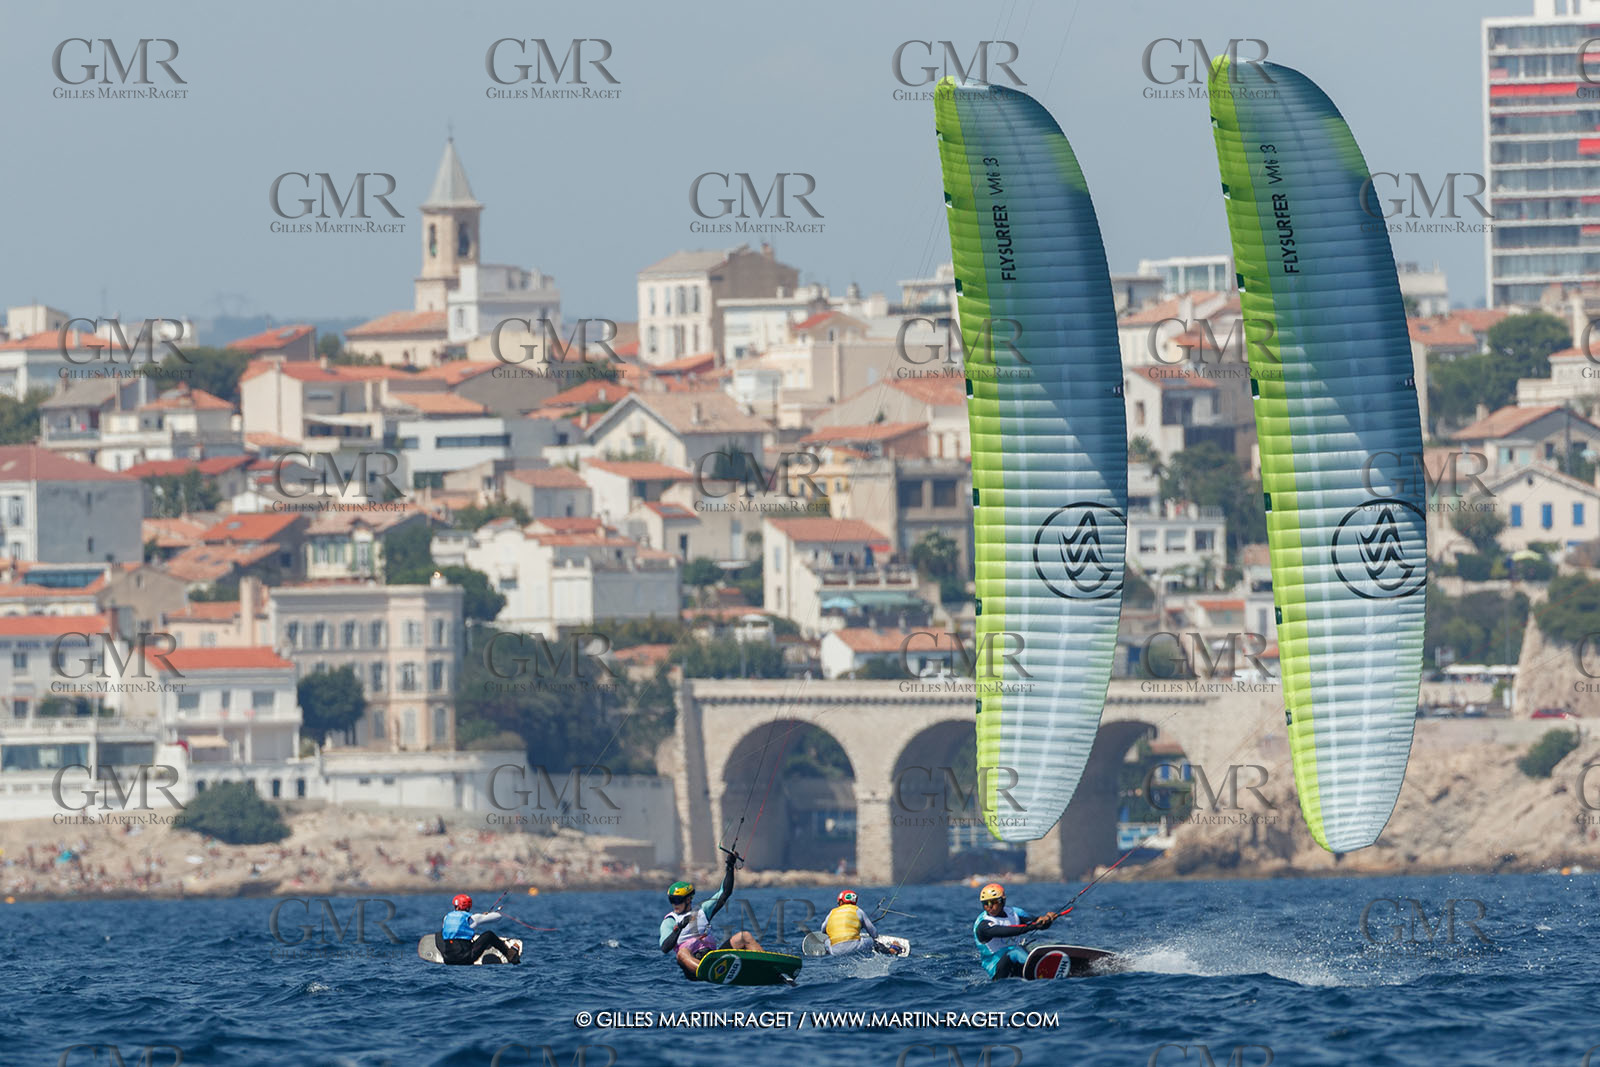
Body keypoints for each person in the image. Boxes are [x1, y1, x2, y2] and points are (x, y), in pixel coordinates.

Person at [659, 850, 762, 978]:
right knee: (682, 953)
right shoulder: (670, 920)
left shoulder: (703, 910)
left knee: (744, 936)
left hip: (714, 959)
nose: (675, 904)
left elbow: (725, 893)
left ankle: (765, 966)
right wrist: (679, 928)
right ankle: (708, 972)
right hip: (694, 968)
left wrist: (730, 866)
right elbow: (664, 948)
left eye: (678, 900)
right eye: (672, 900)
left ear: (688, 899)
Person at [972, 882, 1055, 980]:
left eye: (993, 902)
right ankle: (1043, 970)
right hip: (997, 970)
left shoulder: (1015, 912)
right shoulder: (983, 924)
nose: (989, 907)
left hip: (1017, 962)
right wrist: (1033, 926)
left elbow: (1038, 924)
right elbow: (1005, 931)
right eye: (985, 903)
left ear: (1003, 901)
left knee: (1034, 948)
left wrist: (1048, 920)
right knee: (1014, 951)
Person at [439, 893, 520, 965]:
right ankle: (511, 955)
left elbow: (455, 930)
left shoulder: (446, 918)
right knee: (489, 935)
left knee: (442, 934)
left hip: (448, 959)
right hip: (466, 958)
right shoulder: (473, 918)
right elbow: (498, 917)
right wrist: (485, 916)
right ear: (469, 906)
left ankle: (445, 952)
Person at [823, 890, 901, 956]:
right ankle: (891, 951)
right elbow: (874, 933)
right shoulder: (858, 911)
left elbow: (823, 930)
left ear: (840, 902)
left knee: (826, 941)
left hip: (835, 951)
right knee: (872, 941)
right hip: (855, 947)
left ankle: (827, 953)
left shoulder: (831, 912)